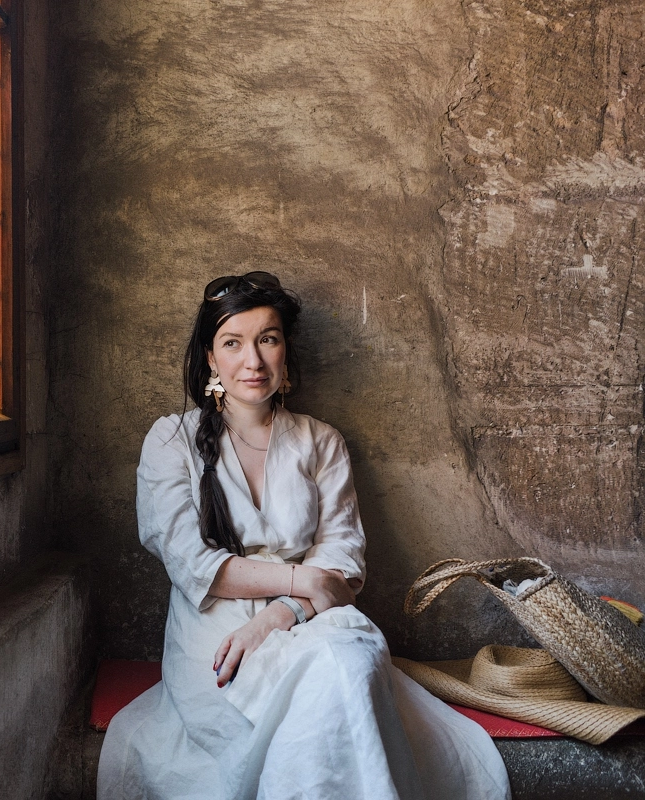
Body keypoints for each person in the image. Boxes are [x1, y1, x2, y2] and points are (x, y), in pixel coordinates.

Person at [97, 273, 510, 800]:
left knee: (347, 660)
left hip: (312, 617)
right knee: (313, 698)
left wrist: (281, 613)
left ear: (285, 351)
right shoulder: (170, 440)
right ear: (210, 358)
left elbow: (343, 563)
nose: (253, 360)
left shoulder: (321, 441)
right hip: (216, 637)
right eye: (233, 342)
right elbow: (191, 563)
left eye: (267, 339)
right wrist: (302, 579)